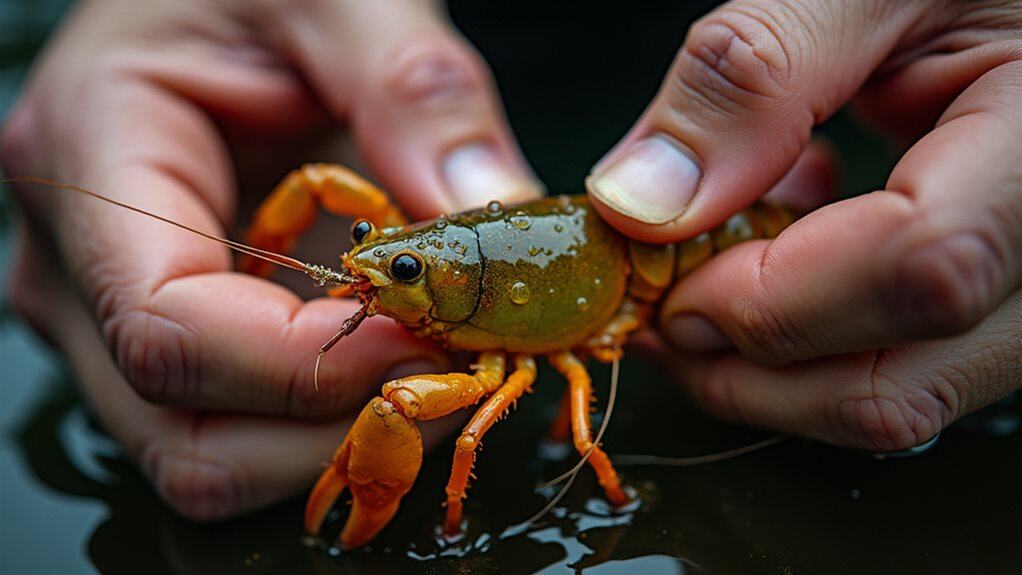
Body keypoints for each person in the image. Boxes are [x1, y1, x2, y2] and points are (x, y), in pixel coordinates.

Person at [2, 0, 1019, 522]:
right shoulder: (412, 256)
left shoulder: (491, 358)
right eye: (376, 258)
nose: (374, 268)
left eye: (389, 269)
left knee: (400, 407)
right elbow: (323, 190)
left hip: (854, 130)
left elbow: (514, 401)